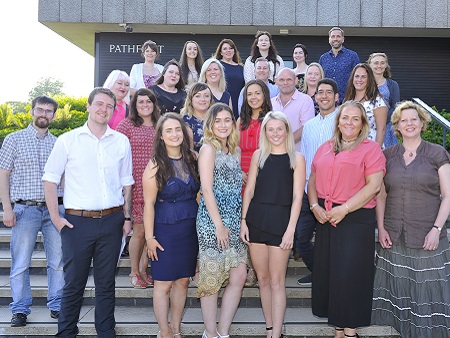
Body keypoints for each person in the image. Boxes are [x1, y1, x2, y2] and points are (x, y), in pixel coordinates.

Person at [43, 87, 134, 337]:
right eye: (99, 104)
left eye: (109, 106)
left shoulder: (120, 141)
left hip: (113, 221)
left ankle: (106, 332)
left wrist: (127, 218)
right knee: (74, 284)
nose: (103, 109)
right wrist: (55, 218)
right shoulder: (68, 140)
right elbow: (50, 180)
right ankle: (66, 333)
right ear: (89, 106)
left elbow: (127, 182)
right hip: (77, 223)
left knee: (106, 285)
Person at [371, 101, 450, 338]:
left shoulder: (437, 153)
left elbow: (447, 196)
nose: (409, 124)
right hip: (395, 235)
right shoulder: (387, 155)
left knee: (427, 295)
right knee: (401, 292)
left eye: (413, 119)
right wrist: (381, 227)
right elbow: (381, 195)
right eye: (403, 120)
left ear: (422, 122)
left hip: (427, 235)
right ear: (396, 126)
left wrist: (437, 229)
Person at [309, 101, 385, 338]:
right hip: (326, 217)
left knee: (351, 275)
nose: (349, 122)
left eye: (355, 118)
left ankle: (350, 332)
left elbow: (374, 186)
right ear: (338, 121)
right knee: (332, 274)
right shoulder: (325, 147)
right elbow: (312, 179)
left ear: (363, 123)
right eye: (345, 118)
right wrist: (313, 206)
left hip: (355, 218)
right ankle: (339, 330)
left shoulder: (371, 149)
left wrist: (345, 209)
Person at [0, 96, 64, 327]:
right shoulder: (14, 139)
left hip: (54, 210)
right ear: (32, 111)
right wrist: (7, 208)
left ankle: (57, 305)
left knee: (57, 261)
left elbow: (64, 178)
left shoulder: (59, 143)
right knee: (20, 263)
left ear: (54, 116)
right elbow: (3, 174)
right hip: (24, 209)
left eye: (49, 111)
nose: (44, 114)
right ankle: (19, 309)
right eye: (40, 109)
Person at [240, 111, 305, 338]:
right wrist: (243, 221)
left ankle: (276, 334)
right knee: (263, 279)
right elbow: (249, 191)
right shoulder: (259, 155)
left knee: (277, 282)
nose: (275, 133)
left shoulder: (297, 158)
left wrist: (290, 230)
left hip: (281, 223)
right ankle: (269, 328)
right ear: (265, 132)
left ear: (287, 130)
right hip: (256, 220)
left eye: (280, 129)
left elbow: (298, 197)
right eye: (271, 129)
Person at [143, 113, 200, 338]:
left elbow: (197, 195)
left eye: (177, 129)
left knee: (183, 281)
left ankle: (176, 329)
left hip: (189, 228)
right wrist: (149, 238)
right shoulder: (155, 165)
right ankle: (164, 331)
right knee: (163, 284)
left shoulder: (193, 158)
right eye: (169, 130)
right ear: (161, 136)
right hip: (165, 229)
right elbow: (148, 204)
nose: (174, 134)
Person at [196, 103, 247, 338]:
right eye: (218, 121)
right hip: (213, 222)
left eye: (227, 120)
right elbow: (206, 189)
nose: (223, 125)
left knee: (238, 276)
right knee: (211, 279)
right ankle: (210, 332)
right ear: (210, 124)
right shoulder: (208, 149)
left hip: (235, 221)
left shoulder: (234, 151)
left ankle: (223, 332)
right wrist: (219, 225)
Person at [296, 79, 340, 287]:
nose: (324, 96)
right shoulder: (309, 126)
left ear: (336, 96)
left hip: (335, 193)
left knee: (330, 241)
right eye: (320, 92)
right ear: (315, 97)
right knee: (301, 240)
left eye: (328, 92)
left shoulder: (343, 123)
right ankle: (320, 271)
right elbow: (303, 157)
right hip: (309, 191)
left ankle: (329, 276)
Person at [116, 88, 161, 289]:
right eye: (140, 102)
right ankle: (134, 272)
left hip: (158, 183)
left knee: (152, 231)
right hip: (135, 185)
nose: (145, 105)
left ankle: (144, 270)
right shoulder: (127, 125)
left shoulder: (160, 125)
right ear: (134, 105)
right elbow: (114, 153)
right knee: (140, 231)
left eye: (148, 101)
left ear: (154, 103)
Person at [271, 68, 315, 151]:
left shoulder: (305, 100)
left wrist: (284, 143)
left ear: (296, 80)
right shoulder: (271, 103)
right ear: (276, 81)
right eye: (281, 80)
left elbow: (306, 127)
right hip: (274, 153)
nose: (285, 83)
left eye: (289, 79)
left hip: (298, 155)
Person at [344, 63, 387, 147]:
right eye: (356, 76)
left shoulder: (377, 102)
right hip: (350, 147)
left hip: (370, 148)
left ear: (369, 79)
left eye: (363, 77)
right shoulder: (347, 101)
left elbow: (381, 130)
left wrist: (376, 151)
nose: (359, 80)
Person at [318, 27, 360, 104]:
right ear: (329, 40)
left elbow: (358, 78)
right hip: (327, 101)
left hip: (347, 100)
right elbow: (320, 79)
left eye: (338, 36)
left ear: (343, 39)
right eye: (333, 36)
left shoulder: (352, 56)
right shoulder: (323, 58)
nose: (335, 39)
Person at [367, 52, 400, 147]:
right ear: (370, 65)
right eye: (376, 63)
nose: (379, 65)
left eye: (382, 63)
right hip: (367, 126)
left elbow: (395, 107)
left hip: (386, 127)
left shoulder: (393, 85)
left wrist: (381, 122)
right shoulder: (363, 83)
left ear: (386, 65)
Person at [214, 38, 245, 118]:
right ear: (221, 52)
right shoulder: (217, 66)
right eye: (225, 49)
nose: (228, 50)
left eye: (231, 48)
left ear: (234, 51)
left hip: (238, 102)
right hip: (222, 100)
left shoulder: (241, 68)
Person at [181, 82, 214, 153]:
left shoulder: (216, 118)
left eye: (206, 96)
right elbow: (189, 151)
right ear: (191, 99)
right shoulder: (185, 121)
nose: (202, 99)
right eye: (198, 96)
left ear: (210, 99)